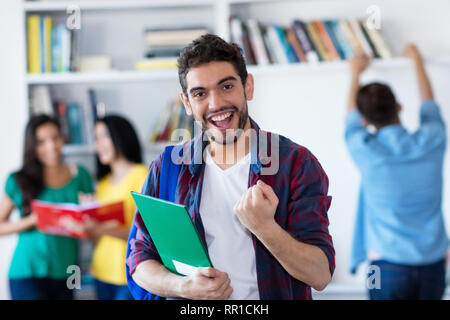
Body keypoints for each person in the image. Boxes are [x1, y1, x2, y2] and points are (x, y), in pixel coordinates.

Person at [126, 34, 335, 300]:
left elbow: (320, 275)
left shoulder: (295, 164)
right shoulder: (167, 167)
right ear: (187, 103)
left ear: (248, 86)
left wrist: (265, 228)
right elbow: (138, 260)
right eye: (200, 93)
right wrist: (183, 286)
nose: (216, 104)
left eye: (226, 87)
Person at [345, 44, 449, 299]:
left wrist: (355, 72)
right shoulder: (433, 140)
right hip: (433, 264)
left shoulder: (364, 150)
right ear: (400, 107)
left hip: (384, 267)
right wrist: (417, 61)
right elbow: (429, 106)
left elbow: (350, 121)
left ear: (365, 121)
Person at [0, 115, 94, 300]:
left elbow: (90, 224)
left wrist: (89, 219)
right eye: (41, 141)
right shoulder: (19, 179)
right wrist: (33, 220)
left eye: (55, 138)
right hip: (27, 272)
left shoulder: (80, 175)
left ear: (62, 139)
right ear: (32, 146)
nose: (51, 146)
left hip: (68, 271)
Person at [82, 115, 148, 300]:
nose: (98, 145)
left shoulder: (142, 175)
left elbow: (145, 234)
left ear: (120, 136)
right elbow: (96, 239)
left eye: (104, 136)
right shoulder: (101, 185)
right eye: (96, 138)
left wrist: (99, 227)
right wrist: (87, 218)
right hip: (100, 271)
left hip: (128, 273)